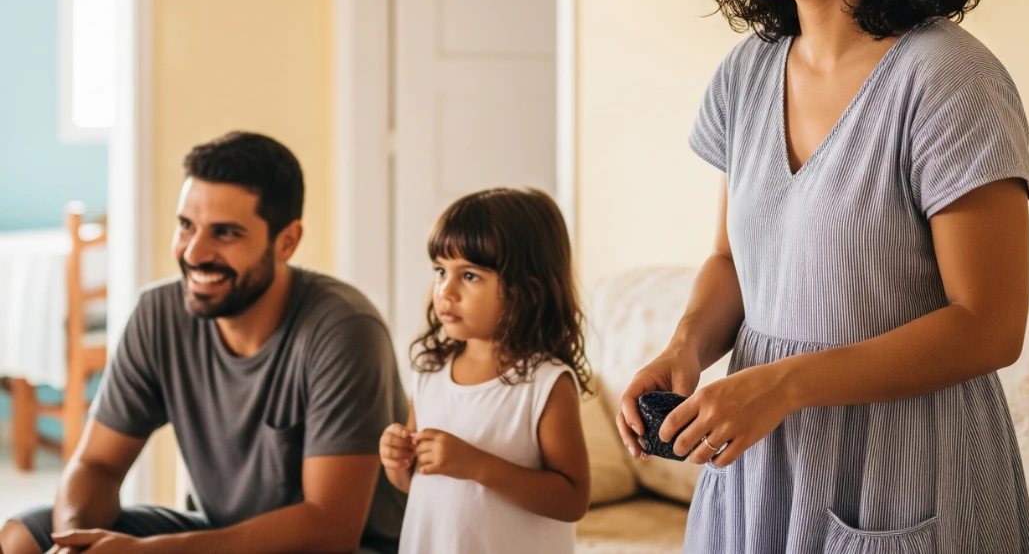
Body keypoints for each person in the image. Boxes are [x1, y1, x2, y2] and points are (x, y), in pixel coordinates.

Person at [615, 0, 1029, 553]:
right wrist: (686, 350)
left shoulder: (948, 79)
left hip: (904, 471)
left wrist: (785, 385)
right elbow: (732, 261)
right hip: (757, 465)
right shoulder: (747, 73)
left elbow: (988, 327)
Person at [0, 131, 408, 554]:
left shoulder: (343, 329)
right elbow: (97, 464)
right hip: (220, 532)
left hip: (344, 548)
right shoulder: (158, 314)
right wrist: (73, 543)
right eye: (186, 226)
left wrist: (146, 553)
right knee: (23, 539)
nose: (194, 253)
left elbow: (330, 527)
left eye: (225, 233)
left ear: (286, 241)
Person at [379, 188, 591, 554]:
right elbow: (417, 482)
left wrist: (475, 465)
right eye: (441, 271)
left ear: (526, 290)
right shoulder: (429, 372)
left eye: (470, 276)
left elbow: (573, 500)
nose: (445, 291)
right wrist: (396, 462)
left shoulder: (545, 384)